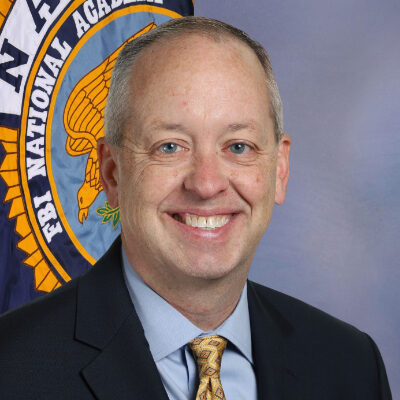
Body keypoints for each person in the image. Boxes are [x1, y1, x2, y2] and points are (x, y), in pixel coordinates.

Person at [0, 16, 392, 400]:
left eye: (238, 147)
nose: (206, 185)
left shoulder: (350, 366)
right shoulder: (12, 369)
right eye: (169, 146)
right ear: (112, 173)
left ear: (279, 169)